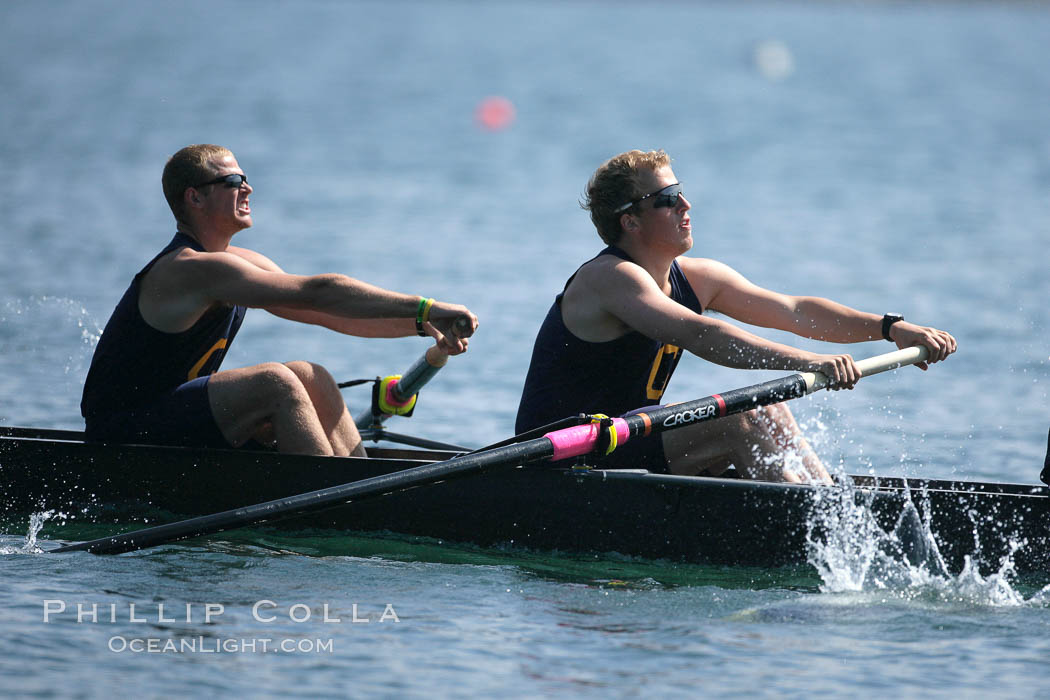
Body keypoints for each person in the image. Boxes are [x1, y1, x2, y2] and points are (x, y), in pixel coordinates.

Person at [515, 149, 956, 483]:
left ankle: (827, 507)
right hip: (557, 458)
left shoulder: (699, 278)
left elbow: (796, 311)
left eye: (681, 191)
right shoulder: (607, 279)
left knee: (771, 413)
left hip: (627, 445)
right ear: (630, 221)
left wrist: (890, 328)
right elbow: (700, 333)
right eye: (668, 198)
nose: (686, 204)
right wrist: (810, 363)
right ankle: (821, 534)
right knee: (749, 417)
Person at [81, 144, 477, 456]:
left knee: (311, 375)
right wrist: (427, 306)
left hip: (172, 420)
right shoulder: (188, 269)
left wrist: (423, 326)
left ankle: (360, 488)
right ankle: (337, 507)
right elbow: (319, 290)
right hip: (122, 436)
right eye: (233, 180)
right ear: (195, 198)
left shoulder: (234, 265)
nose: (248, 188)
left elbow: (325, 310)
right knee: (276, 382)